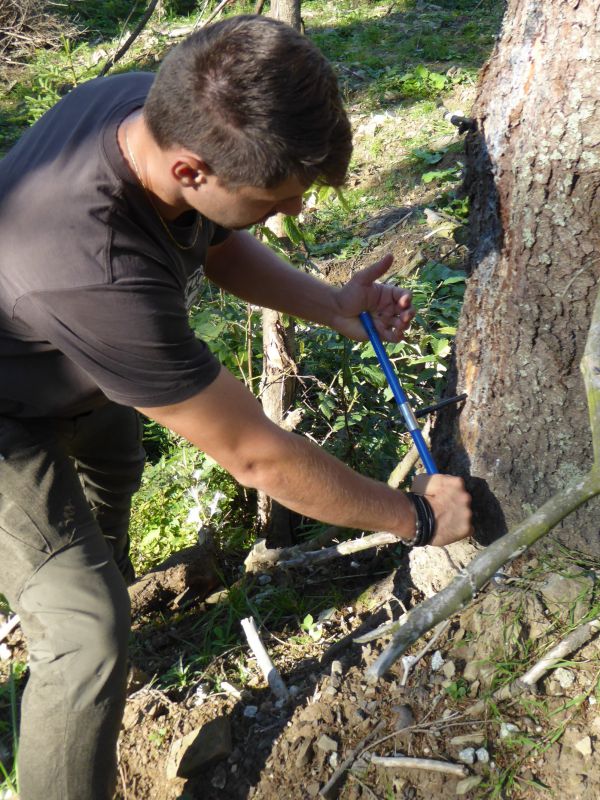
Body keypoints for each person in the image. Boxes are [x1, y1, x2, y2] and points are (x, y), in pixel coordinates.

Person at [0, 14, 472, 800]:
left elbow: (215, 241)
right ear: (191, 169)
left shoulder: (155, 112)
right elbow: (254, 453)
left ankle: (108, 624)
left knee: (113, 464)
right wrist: (414, 518)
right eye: (275, 200)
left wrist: (331, 306)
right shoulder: (91, 271)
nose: (292, 215)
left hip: (62, 358)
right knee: (85, 633)